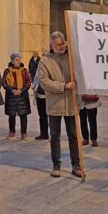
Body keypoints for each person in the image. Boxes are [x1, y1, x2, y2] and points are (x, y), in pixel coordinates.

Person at [38, 31, 82, 178]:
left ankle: (76, 165)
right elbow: (44, 82)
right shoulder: (45, 60)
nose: (61, 46)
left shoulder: (71, 58)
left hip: (71, 103)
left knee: (74, 135)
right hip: (55, 104)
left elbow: (80, 74)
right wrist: (63, 86)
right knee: (55, 135)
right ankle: (56, 164)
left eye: (62, 43)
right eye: (57, 44)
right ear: (51, 45)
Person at [2, 52, 32, 140]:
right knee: (11, 115)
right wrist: (12, 90)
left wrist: (21, 90)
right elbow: (4, 82)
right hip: (11, 96)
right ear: (12, 60)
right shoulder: (7, 71)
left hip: (22, 95)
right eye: (16, 60)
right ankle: (12, 132)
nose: (18, 61)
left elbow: (28, 82)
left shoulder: (24, 70)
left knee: (23, 115)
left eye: (19, 59)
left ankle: (24, 133)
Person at [32, 47, 50, 140]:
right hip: (39, 94)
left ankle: (51, 133)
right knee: (42, 115)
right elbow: (36, 78)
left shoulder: (51, 67)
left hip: (48, 95)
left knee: (50, 116)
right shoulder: (39, 65)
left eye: (45, 55)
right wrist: (34, 86)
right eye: (43, 55)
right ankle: (43, 133)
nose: (43, 57)